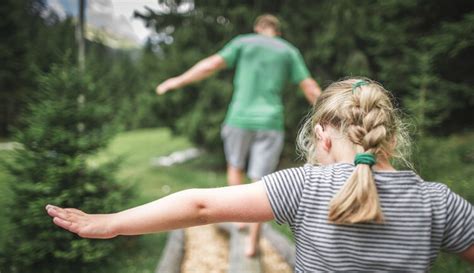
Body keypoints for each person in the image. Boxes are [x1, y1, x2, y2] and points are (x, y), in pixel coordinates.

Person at [46, 78, 474, 271]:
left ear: (322, 136)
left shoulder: (306, 185)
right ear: (392, 140)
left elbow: (200, 205)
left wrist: (112, 223)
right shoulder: (437, 201)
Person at [156, 14, 322, 256]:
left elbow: (210, 65)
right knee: (262, 181)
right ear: (277, 30)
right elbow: (309, 87)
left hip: (239, 119)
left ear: (258, 28)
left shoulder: (243, 42)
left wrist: (177, 81)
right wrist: (334, 114)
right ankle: (251, 244)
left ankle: (239, 219)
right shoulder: (288, 51)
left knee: (235, 166)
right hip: (270, 122)